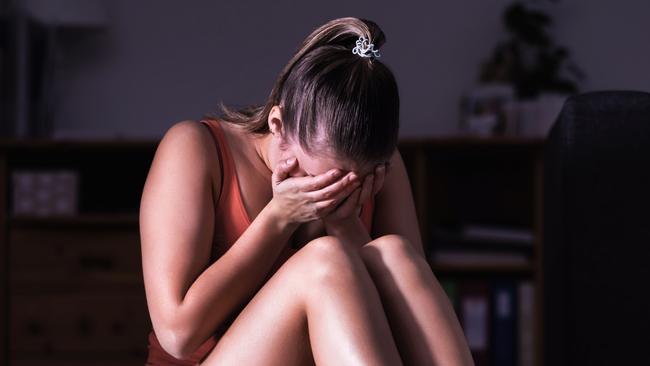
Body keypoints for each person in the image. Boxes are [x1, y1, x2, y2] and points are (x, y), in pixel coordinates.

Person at [140, 17, 473, 366]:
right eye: (321, 178)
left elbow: (400, 325)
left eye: (353, 183)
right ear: (277, 126)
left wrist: (346, 224)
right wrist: (278, 219)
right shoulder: (196, 149)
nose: (337, 189)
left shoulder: (382, 168)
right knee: (323, 261)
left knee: (394, 254)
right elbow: (177, 336)